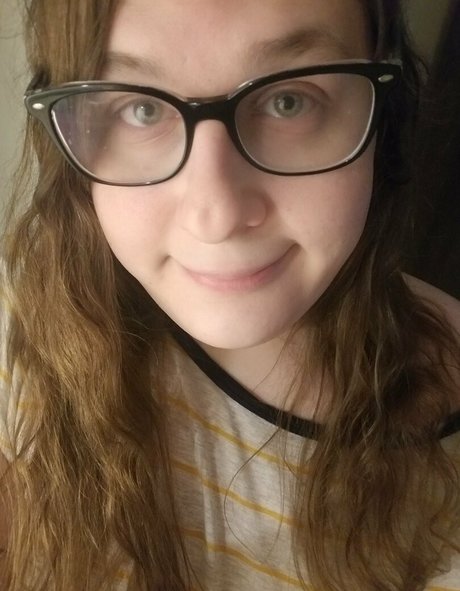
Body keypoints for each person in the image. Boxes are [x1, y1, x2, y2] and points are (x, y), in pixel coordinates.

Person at [1, 0, 459, 589]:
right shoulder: (22, 329)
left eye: (288, 100)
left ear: (384, 114)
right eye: (141, 109)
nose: (216, 215)